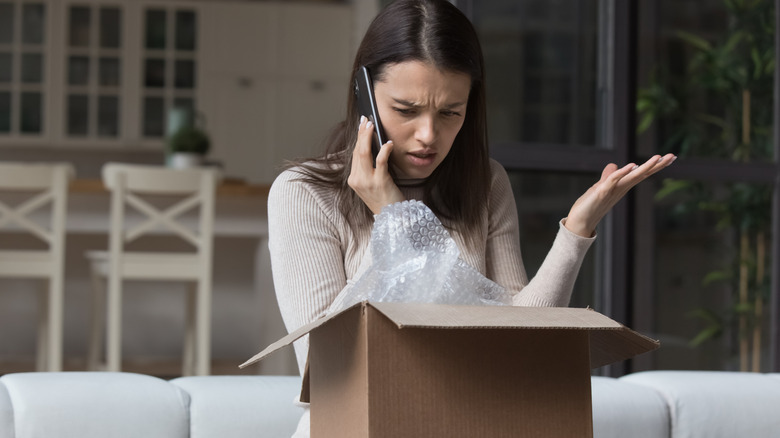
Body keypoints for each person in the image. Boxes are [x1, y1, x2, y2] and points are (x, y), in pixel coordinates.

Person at [266, 0, 675, 435]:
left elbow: (522, 337)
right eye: (406, 110)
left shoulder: (485, 184)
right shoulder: (304, 193)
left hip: (468, 418)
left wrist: (575, 232)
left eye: (450, 113)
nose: (428, 135)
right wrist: (393, 216)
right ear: (363, 95)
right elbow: (327, 362)